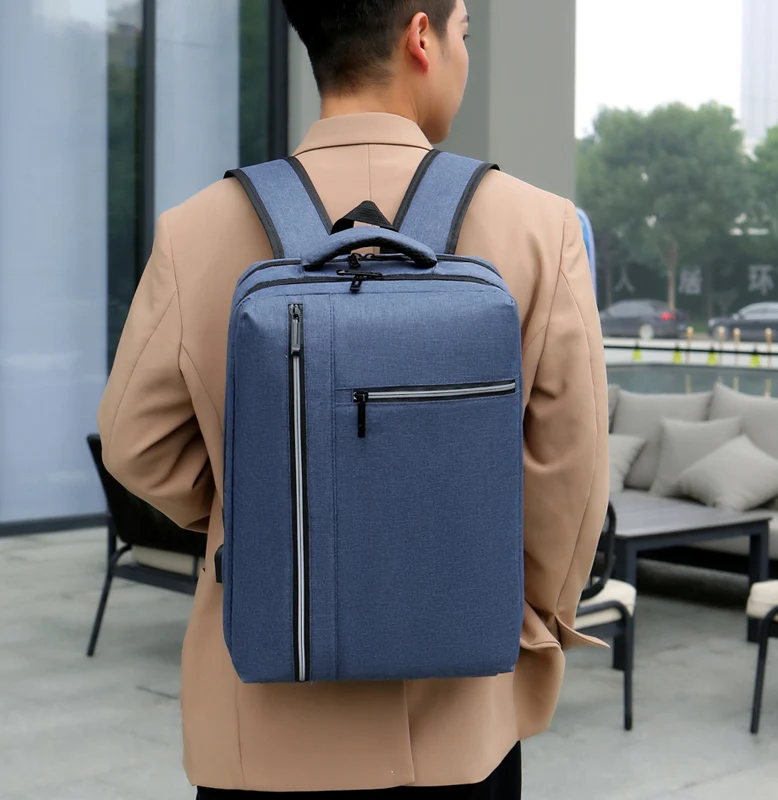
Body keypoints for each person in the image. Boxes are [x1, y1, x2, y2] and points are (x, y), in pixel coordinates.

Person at [98, 1, 609, 797]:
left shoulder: (193, 229)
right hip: (458, 724)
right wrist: (516, 610)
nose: (464, 54)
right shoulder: (542, 226)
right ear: (421, 37)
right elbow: (570, 478)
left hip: (263, 732)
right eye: (463, 32)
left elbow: (133, 442)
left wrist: (266, 517)